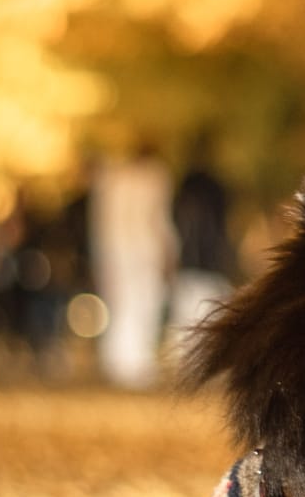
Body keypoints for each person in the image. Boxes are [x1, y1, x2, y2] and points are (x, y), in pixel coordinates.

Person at [89, 149, 176, 388]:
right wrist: (169, 251)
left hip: (119, 252)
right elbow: (159, 220)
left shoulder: (113, 180)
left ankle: (120, 361)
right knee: (145, 304)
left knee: (122, 305)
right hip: (145, 251)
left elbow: (102, 224)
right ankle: (135, 362)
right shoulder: (154, 179)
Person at [167, 149, 237, 359]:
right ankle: (202, 355)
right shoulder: (216, 187)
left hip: (190, 260)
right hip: (209, 259)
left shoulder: (183, 188)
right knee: (207, 307)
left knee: (188, 308)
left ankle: (186, 354)